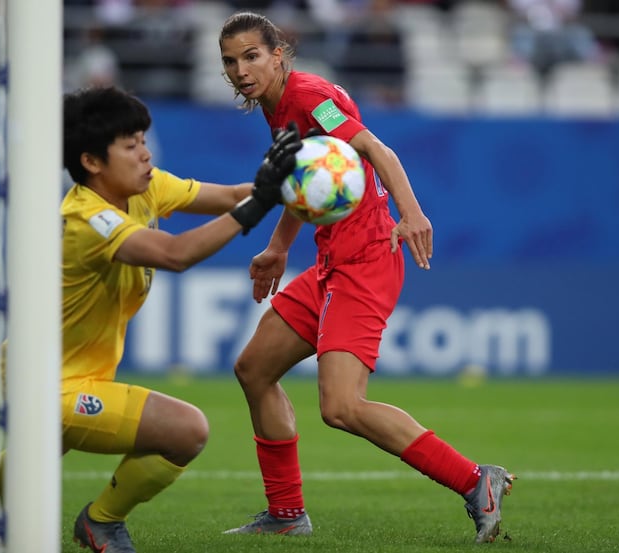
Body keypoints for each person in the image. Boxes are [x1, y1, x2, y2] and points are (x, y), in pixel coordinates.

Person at [0, 85, 302, 553]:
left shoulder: (147, 187)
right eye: (130, 144)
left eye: (143, 139)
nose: (144, 153)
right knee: (188, 430)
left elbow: (234, 196)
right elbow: (175, 254)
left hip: (67, 371)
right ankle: (100, 522)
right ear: (92, 162)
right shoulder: (87, 219)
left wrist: (285, 184)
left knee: (38, 451)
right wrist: (256, 205)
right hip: (45, 384)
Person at [217, 11, 516, 544]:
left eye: (251, 56)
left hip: (366, 261)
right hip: (332, 262)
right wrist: (279, 248)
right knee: (254, 368)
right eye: (230, 61)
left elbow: (375, 149)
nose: (240, 69)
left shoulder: (307, 96)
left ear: (278, 55)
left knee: (341, 406)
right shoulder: (278, 107)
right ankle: (286, 515)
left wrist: (412, 213)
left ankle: (477, 481)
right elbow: (305, 181)